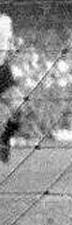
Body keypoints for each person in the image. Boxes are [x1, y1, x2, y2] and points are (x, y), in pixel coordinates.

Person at [0, 14, 23, 163]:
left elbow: (10, 45)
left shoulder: (5, 20)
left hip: (2, 71)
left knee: (18, 108)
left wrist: (12, 49)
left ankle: (4, 140)